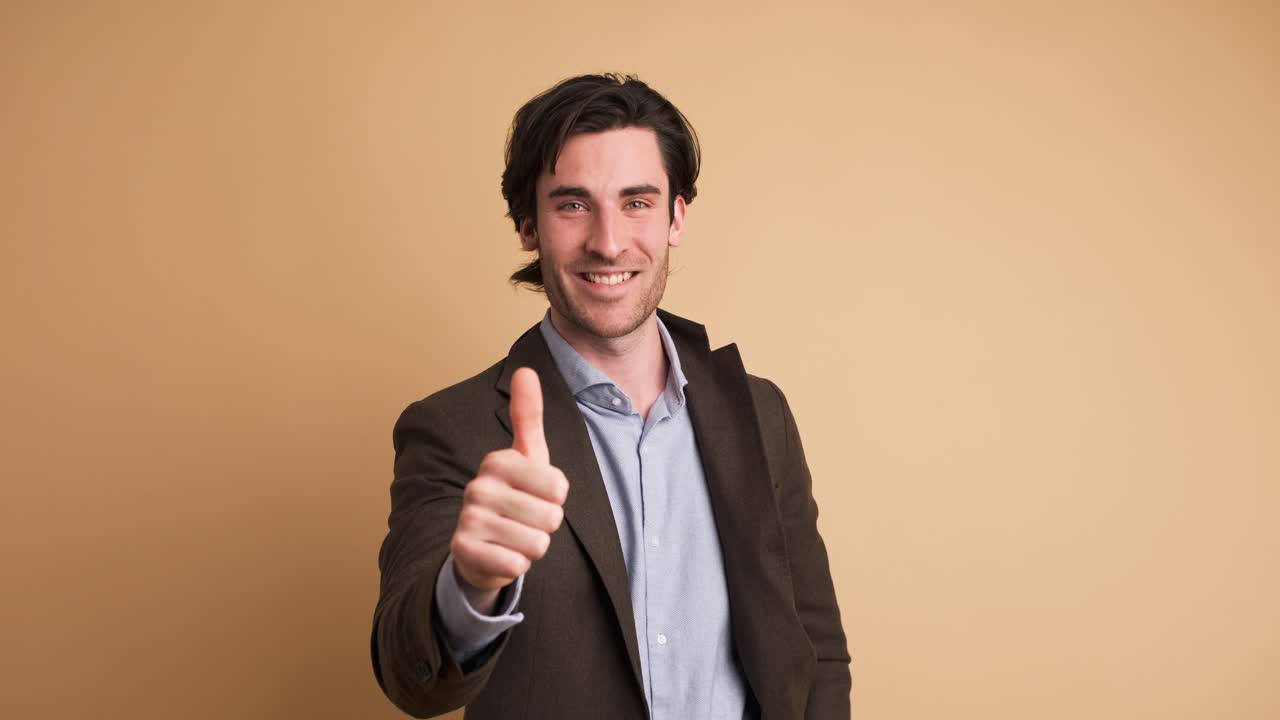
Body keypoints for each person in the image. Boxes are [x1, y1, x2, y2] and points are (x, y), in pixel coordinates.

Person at [371, 74, 850, 720]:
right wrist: (470, 586)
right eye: (573, 205)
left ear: (677, 217)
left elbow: (815, 652)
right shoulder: (452, 429)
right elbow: (410, 678)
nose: (608, 241)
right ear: (528, 225)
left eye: (637, 202)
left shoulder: (762, 415)